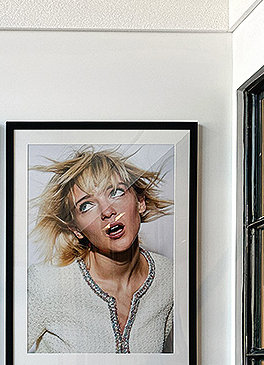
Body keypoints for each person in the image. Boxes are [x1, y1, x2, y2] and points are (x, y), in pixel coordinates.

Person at [27, 147, 174, 354]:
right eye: (86, 205)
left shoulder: (170, 278)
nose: (107, 211)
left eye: (116, 192)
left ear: (140, 202)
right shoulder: (47, 283)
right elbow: (0, 360)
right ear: (76, 229)